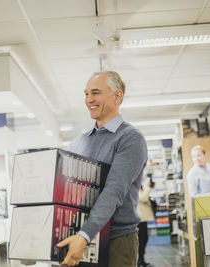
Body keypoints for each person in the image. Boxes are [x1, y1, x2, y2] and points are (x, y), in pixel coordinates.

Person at [56, 71, 148, 267]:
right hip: (80, 238)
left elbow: (113, 192)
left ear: (118, 96)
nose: (89, 99)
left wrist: (84, 235)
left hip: (117, 240)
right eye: (86, 94)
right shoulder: (78, 143)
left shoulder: (130, 138)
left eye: (95, 93)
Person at [137, 178, 154, 267]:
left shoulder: (139, 188)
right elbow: (143, 198)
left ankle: (141, 259)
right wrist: (148, 187)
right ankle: (140, 260)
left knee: (144, 239)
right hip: (140, 219)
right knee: (142, 239)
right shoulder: (135, 188)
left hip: (143, 219)